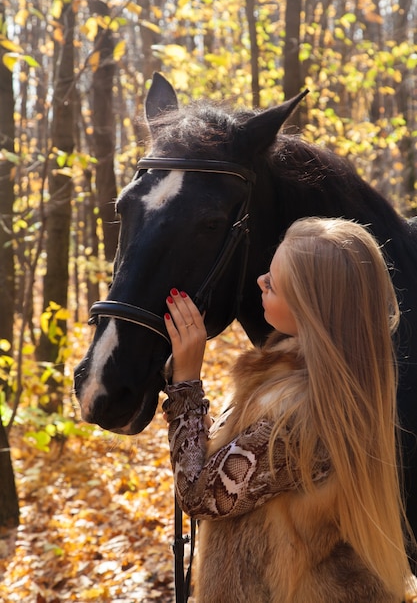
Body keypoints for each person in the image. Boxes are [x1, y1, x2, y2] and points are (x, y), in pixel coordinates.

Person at [162, 217, 416, 603]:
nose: (260, 281)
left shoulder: (297, 412)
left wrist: (186, 384)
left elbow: (198, 496)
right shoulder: (342, 378)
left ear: (309, 309)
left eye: (274, 284)